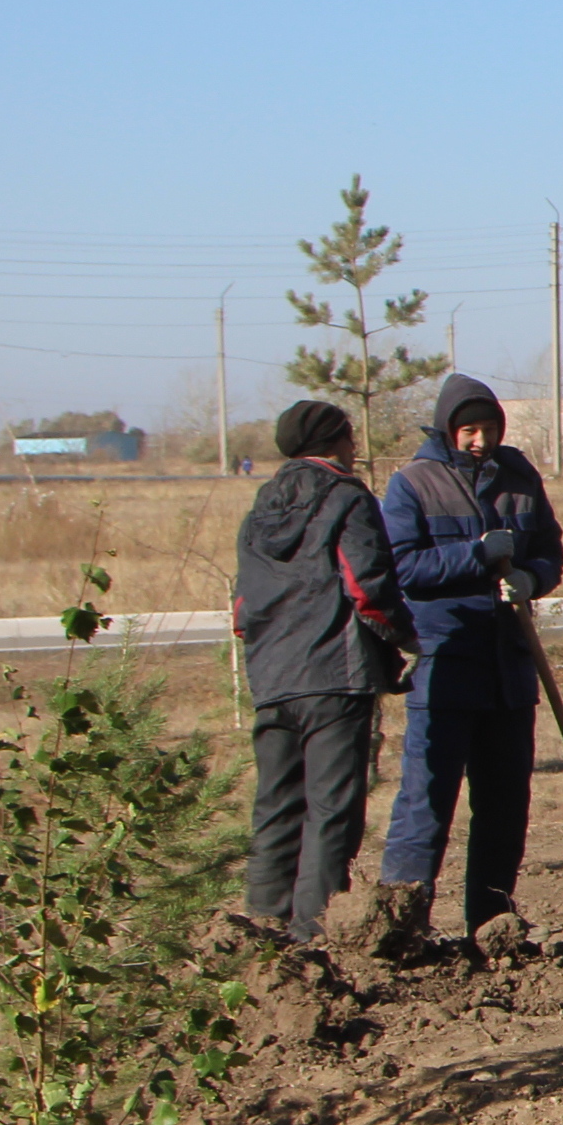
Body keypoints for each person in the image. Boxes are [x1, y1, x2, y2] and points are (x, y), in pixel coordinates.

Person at [369, 375, 563, 950]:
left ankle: (491, 923)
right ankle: (400, 926)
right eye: (469, 430)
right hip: (446, 662)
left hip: (509, 667)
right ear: (448, 429)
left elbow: (550, 551)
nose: (481, 441)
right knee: (426, 800)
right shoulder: (413, 483)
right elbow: (402, 568)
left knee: (505, 803)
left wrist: (532, 577)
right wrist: (474, 556)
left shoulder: (520, 479)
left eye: (490, 429)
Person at [231, 400, 419, 943]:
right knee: (331, 811)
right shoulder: (346, 497)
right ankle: (314, 937)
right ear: (335, 442)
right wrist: (408, 639)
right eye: (349, 436)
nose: (355, 446)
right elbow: (366, 587)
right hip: (335, 675)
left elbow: (243, 608)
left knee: (276, 805)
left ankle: (264, 930)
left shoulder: (261, 507)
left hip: (272, 676)